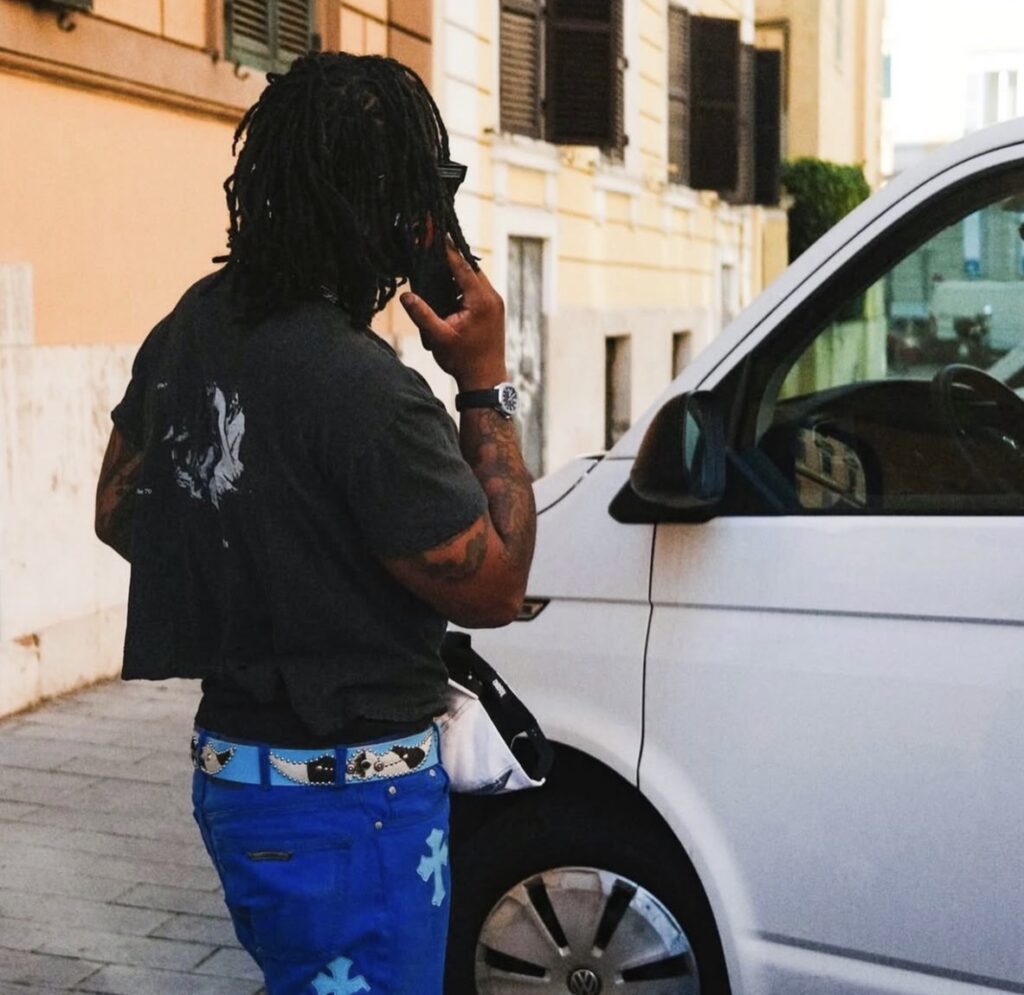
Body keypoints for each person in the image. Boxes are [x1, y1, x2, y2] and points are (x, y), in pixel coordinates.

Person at [94, 52, 536, 995]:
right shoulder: (366, 389)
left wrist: (268, 559)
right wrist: (485, 383)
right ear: (401, 217)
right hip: (350, 806)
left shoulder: (192, 325)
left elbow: (120, 508)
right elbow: (497, 585)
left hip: (236, 784)